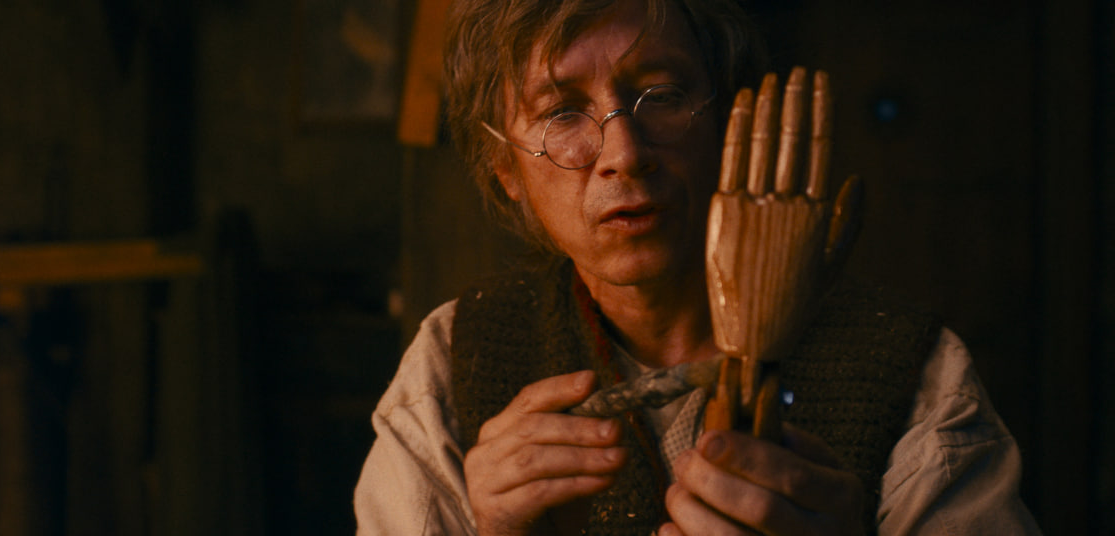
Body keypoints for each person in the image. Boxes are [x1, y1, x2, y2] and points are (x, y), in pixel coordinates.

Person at [355, 0, 1041, 534]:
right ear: (505, 168)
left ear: (727, 118)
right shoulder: (452, 365)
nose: (625, 153)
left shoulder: (910, 373)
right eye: (562, 112)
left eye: (661, 94)